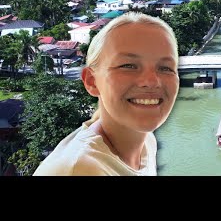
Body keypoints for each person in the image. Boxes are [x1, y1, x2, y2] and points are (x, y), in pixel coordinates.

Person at [33, 12, 180, 176]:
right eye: (128, 65)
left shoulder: (147, 142)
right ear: (91, 81)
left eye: (166, 68)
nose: (152, 81)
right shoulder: (81, 169)